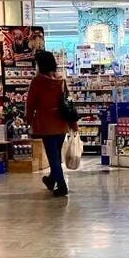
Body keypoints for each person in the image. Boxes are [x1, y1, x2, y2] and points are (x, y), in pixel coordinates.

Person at [26, 51, 76, 197]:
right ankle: (51, 180)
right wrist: (73, 123)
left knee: (53, 157)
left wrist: (29, 121)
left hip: (46, 124)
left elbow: (30, 104)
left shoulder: (37, 81)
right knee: (56, 155)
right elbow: (69, 102)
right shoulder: (61, 80)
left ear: (40, 65)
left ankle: (62, 185)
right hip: (61, 123)